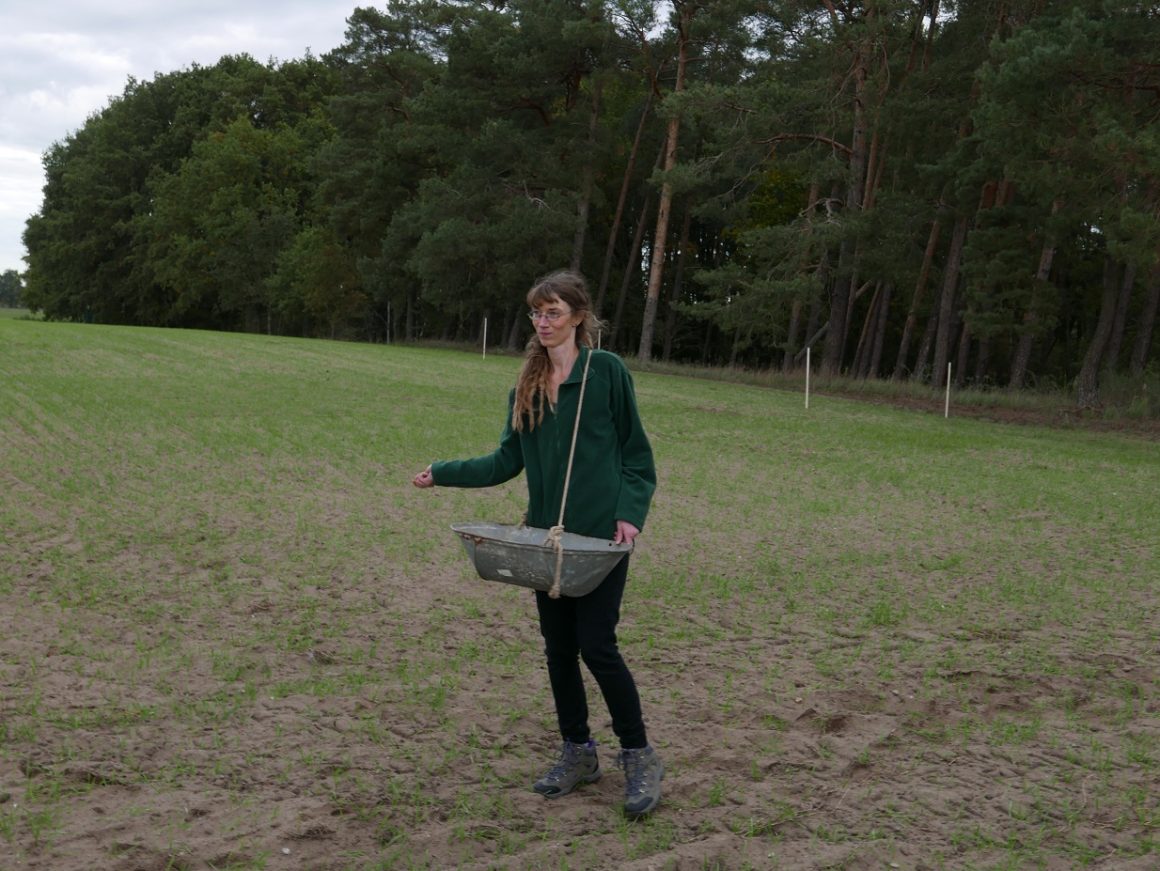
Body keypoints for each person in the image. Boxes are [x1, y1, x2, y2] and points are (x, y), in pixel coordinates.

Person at [412, 269, 663, 817]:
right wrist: (444, 471)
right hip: (545, 545)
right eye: (536, 313)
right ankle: (578, 752)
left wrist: (629, 514)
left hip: (599, 542)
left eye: (552, 312)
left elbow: (637, 455)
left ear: (577, 316)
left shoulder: (607, 373)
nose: (542, 322)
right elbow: (505, 461)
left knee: (598, 646)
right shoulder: (525, 387)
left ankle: (638, 755)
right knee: (558, 651)